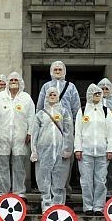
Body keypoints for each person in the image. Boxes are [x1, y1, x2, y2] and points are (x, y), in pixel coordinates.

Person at [36, 61, 81, 198]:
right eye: (55, 69)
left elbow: (76, 108)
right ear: (51, 70)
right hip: (48, 130)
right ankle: (48, 194)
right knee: (46, 165)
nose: (57, 71)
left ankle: (64, 190)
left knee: (65, 161)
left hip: (65, 129)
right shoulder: (45, 87)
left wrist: (73, 128)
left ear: (64, 71)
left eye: (60, 69)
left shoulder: (71, 87)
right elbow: (39, 107)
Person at [74, 84, 112, 216]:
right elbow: (78, 132)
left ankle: (98, 206)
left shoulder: (106, 111)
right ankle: (88, 206)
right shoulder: (82, 111)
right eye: (95, 94)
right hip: (86, 151)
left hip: (102, 152)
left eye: (99, 94)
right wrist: (78, 149)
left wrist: (110, 149)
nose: (97, 96)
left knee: (100, 180)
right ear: (89, 95)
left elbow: (111, 132)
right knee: (86, 180)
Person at [0, 71, 34, 198]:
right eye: (11, 80)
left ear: (20, 82)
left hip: (20, 136)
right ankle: (2, 192)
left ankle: (19, 192)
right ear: (7, 83)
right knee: (2, 165)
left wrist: (30, 132)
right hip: (2, 135)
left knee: (19, 166)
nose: (13, 83)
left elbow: (31, 116)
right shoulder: (0, 97)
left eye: (16, 80)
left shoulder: (26, 98)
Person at [31, 87, 73, 212]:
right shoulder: (40, 114)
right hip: (44, 150)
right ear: (46, 96)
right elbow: (34, 134)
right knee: (44, 176)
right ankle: (47, 204)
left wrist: (67, 148)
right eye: (50, 94)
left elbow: (69, 131)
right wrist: (34, 150)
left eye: (55, 94)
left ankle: (58, 204)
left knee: (59, 177)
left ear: (58, 96)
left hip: (60, 150)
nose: (52, 96)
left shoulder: (64, 112)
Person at [98, 77, 112, 197]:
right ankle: (99, 193)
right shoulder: (95, 104)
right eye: (102, 89)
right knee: (100, 170)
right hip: (99, 140)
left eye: (107, 89)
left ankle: (109, 192)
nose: (104, 91)